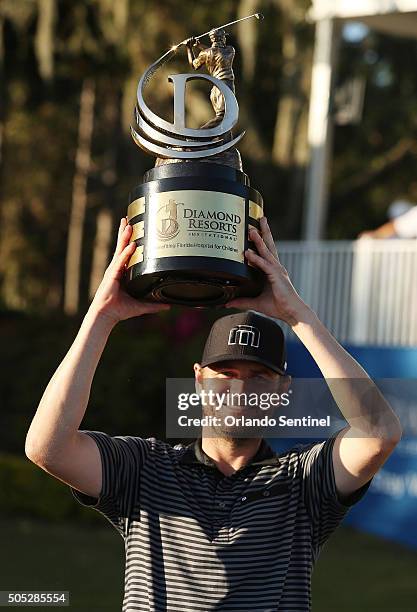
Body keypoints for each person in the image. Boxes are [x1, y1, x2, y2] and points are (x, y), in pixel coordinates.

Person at [25, 217, 402, 611]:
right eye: (226, 374)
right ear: (200, 381)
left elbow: (380, 431)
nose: (240, 390)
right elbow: (46, 447)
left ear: (281, 390)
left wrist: (298, 316)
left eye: (259, 376)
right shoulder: (145, 469)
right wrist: (101, 316)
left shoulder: (303, 482)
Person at [186, 28, 235, 129]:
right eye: (224, 36)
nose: (225, 38)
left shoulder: (206, 53)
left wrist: (189, 48)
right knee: (224, 117)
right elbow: (217, 52)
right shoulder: (230, 50)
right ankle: (199, 134)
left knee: (227, 121)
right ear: (221, 38)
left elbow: (194, 64)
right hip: (225, 87)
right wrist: (199, 46)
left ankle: (224, 142)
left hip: (216, 89)